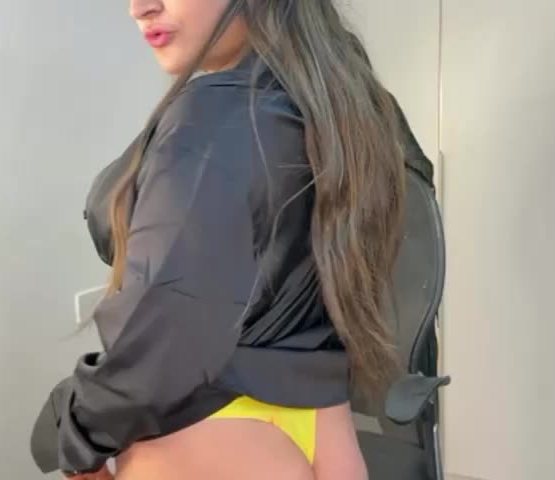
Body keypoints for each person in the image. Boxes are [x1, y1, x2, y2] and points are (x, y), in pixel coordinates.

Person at [30, 1, 432, 479]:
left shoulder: (217, 114)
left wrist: (76, 428)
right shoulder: (342, 98)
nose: (139, 7)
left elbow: (167, 323)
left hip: (208, 437)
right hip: (325, 434)